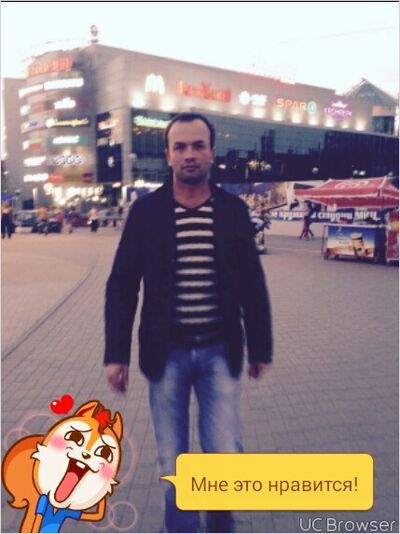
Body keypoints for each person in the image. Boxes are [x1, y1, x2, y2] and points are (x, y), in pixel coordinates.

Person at [104, 113, 273, 533]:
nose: (189, 154)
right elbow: (122, 284)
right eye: (180, 147)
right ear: (168, 155)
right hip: (167, 354)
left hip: (220, 351)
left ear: (212, 152)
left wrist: (261, 347)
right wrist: (116, 354)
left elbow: (252, 282)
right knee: (173, 460)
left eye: (198, 145)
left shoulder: (232, 211)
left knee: (224, 454)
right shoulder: (147, 212)